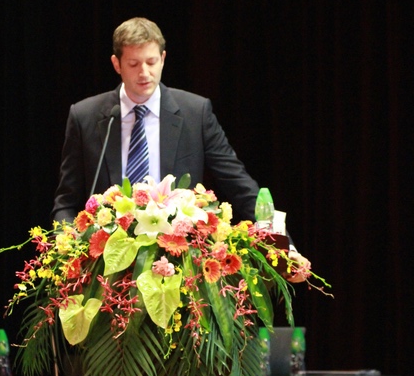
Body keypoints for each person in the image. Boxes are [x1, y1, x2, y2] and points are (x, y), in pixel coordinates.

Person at [52, 17, 310, 279]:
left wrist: (284, 249)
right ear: (116, 64)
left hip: (179, 266)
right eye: (133, 64)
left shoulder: (195, 113)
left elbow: (240, 185)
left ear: (163, 59)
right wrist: (68, 248)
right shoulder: (86, 117)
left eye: (151, 62)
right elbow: (66, 202)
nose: (144, 72)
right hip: (106, 270)